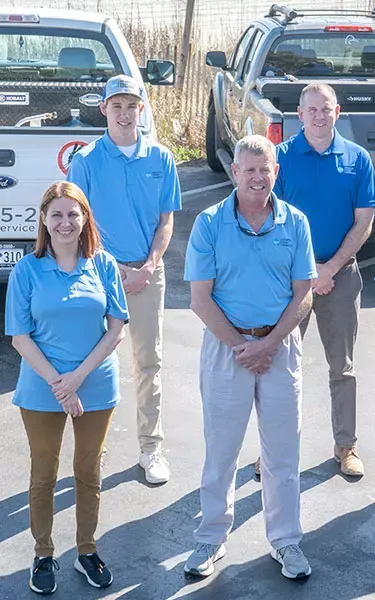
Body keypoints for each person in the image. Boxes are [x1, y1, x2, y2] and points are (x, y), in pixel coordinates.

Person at [183, 136, 316, 580]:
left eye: (266, 169)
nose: (258, 178)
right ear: (235, 173)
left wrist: (270, 343)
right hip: (227, 349)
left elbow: (303, 295)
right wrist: (243, 347)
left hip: (279, 348)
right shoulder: (208, 223)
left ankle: (286, 541)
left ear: (276, 172)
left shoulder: (295, 222)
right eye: (249, 170)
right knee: (221, 452)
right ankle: (210, 538)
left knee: (283, 456)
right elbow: (200, 300)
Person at [5, 181, 128, 594]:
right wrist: (60, 385)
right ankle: (43, 554)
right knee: (44, 475)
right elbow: (20, 336)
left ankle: (86, 551)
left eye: (72, 214)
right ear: (43, 219)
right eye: (56, 214)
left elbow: (116, 329)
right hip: (41, 390)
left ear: (84, 218)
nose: (64, 223)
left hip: (95, 385)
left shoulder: (103, 265)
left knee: (88, 472)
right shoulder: (27, 270)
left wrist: (77, 378)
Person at [255, 82, 375, 479]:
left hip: (340, 277)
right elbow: (271, 218)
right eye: (312, 110)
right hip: (291, 281)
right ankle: (271, 451)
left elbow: (364, 222)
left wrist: (330, 269)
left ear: (337, 112)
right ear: (300, 114)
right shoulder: (282, 159)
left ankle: (346, 446)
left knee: (342, 368)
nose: (319, 116)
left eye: (326, 109)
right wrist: (308, 273)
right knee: (279, 366)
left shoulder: (357, 160)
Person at [67, 74, 181, 485]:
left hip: (149, 272)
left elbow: (166, 220)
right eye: (116, 105)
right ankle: (92, 452)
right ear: (104, 109)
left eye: (131, 104)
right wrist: (115, 270)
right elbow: (76, 224)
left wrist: (148, 266)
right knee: (97, 363)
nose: (124, 112)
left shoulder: (161, 158)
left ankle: (151, 449)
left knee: (149, 362)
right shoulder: (87, 159)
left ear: (141, 109)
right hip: (99, 273)